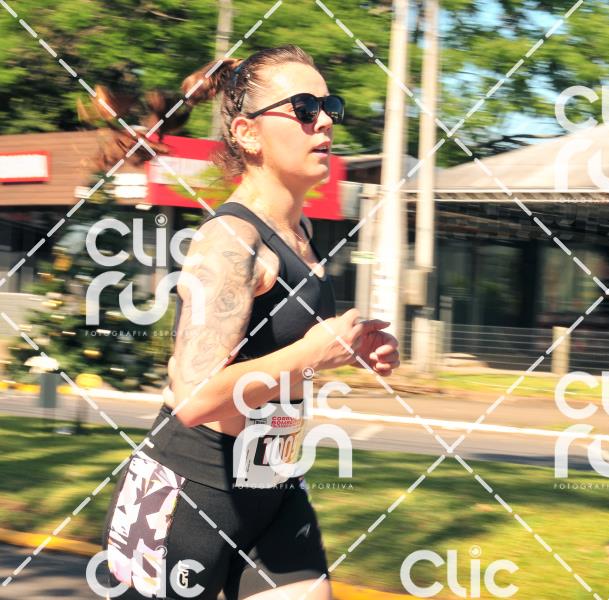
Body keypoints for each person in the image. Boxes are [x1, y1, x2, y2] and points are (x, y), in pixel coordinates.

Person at [98, 45, 400, 600]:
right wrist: (314, 353)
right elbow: (194, 400)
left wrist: (352, 348)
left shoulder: (301, 236)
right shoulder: (230, 240)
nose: (325, 121)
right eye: (304, 109)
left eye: (329, 106)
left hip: (275, 485)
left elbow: (276, 350)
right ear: (248, 133)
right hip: (186, 494)